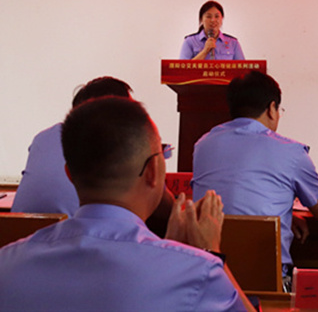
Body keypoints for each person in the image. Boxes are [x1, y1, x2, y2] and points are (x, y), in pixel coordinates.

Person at [0, 97, 254, 311]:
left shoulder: (7, 264)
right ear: (153, 171)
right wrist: (208, 253)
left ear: (70, 175)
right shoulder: (198, 272)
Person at [192, 70, 318, 288]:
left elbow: (234, 198)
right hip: (268, 283)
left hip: (208, 277)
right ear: (271, 108)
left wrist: (285, 215)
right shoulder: (291, 152)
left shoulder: (203, 145)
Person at [12, 76, 174, 235]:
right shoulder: (115, 141)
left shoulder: (43, 138)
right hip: (81, 239)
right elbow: (166, 209)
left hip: (14, 234)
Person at [180, 0, 245, 60]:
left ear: (222, 18)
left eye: (217, 16)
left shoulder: (233, 43)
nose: (213, 20)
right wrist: (205, 51)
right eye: (208, 16)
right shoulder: (190, 41)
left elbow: (242, 67)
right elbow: (182, 67)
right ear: (201, 19)